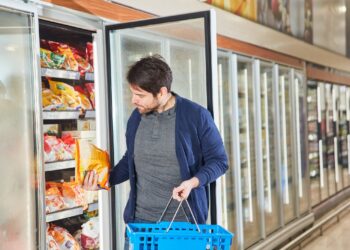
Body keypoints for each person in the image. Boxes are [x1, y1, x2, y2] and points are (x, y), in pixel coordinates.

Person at [83, 55, 228, 249]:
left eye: (140, 95)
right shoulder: (136, 118)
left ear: (162, 92)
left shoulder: (196, 116)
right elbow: (131, 160)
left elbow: (219, 161)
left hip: (182, 227)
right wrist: (105, 180)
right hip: (139, 227)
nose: (134, 100)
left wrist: (193, 182)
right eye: (132, 93)